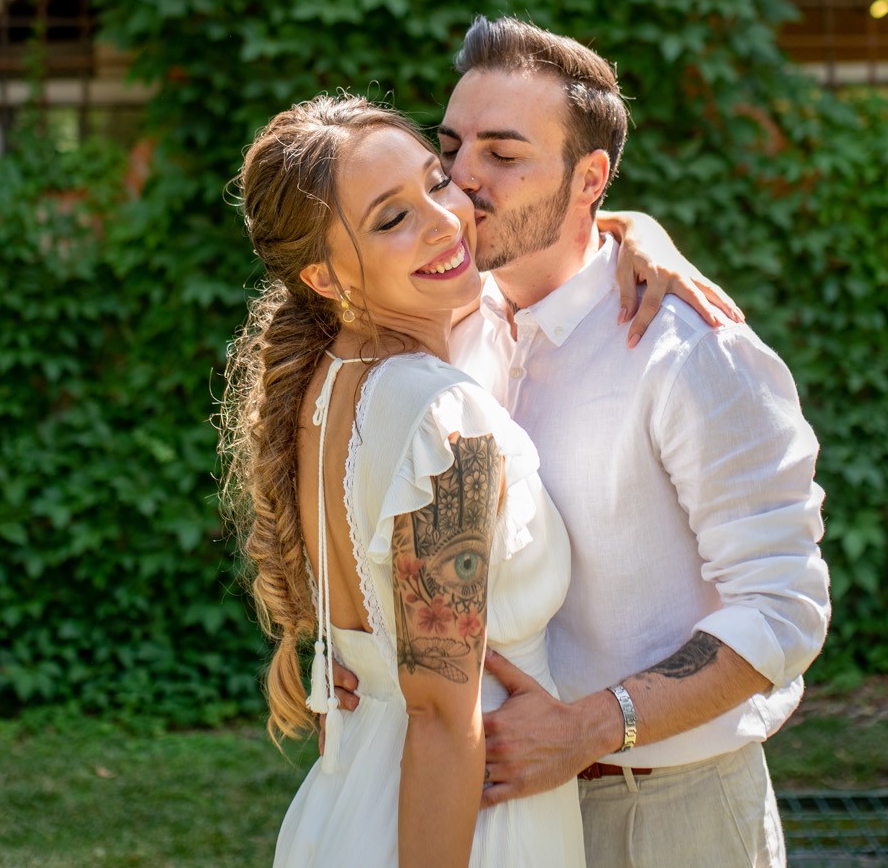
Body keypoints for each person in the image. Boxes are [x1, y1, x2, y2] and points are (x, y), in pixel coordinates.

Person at [337, 17, 831, 866]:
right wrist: (342, 650)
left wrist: (593, 725)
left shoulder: (692, 354)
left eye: (504, 154)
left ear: (589, 177)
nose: (463, 179)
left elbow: (783, 606)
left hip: (664, 812)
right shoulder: (445, 329)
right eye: (450, 149)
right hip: (493, 810)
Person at [220, 94, 722, 867]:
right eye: (392, 218)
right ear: (323, 274)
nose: (445, 219)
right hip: (467, 823)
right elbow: (441, 719)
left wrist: (636, 229)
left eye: (436, 180)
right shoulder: (444, 420)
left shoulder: (322, 386)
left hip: (352, 801)